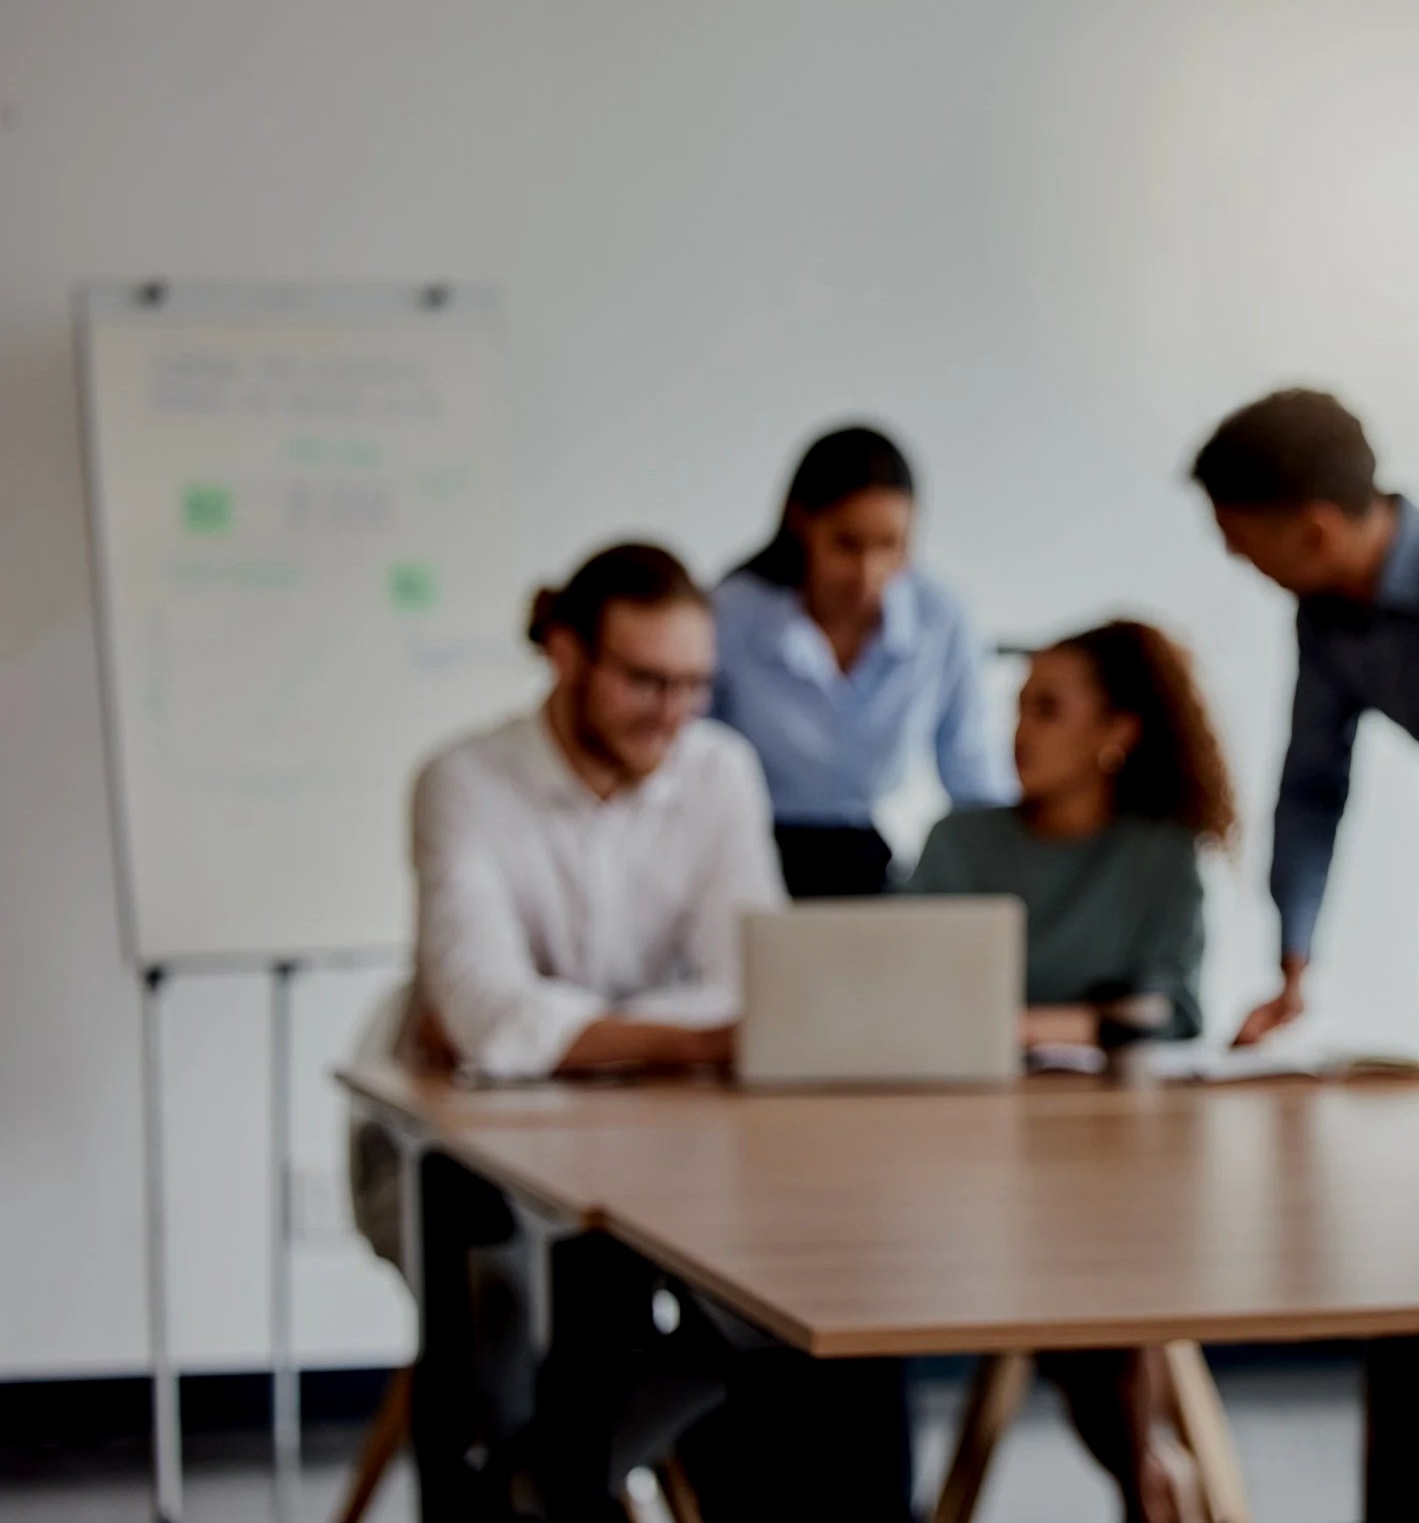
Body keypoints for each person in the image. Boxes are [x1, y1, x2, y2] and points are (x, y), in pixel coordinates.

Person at [378, 542, 914, 1522]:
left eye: (694, 685)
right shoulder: (462, 780)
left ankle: (562, 1478)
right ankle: (527, 1486)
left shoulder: (719, 772)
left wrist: (584, 1030)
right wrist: (700, 1035)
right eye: (644, 679)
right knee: (522, 1309)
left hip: (660, 1140)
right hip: (453, 1150)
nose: (671, 712)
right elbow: (487, 1017)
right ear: (566, 652)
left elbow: (750, 985)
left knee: (803, 1287)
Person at [1190, 388, 1419, 1522]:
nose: (1241, 567)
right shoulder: (1327, 618)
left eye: (1241, 543)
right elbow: (1311, 785)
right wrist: (1291, 957)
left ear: (1310, 526)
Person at [911, 619, 1235, 1523]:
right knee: (1086, 1283)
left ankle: (1146, 1473)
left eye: (1047, 709)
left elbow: (1173, 1013)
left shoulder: (1161, 856)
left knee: (1097, 1265)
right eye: (1017, 707)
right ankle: (1148, 1474)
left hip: (1112, 1166)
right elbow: (898, 998)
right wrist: (1087, 1018)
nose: (1020, 732)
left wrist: (1002, 1021)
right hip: (959, 1161)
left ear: (1115, 735)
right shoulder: (957, 842)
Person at [711, 423, 1015, 898]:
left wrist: (1013, 877)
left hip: (869, 859)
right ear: (800, 522)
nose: (868, 573)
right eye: (846, 545)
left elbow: (971, 770)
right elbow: (692, 760)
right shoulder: (731, 613)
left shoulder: (941, 617)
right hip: (745, 854)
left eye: (890, 545)